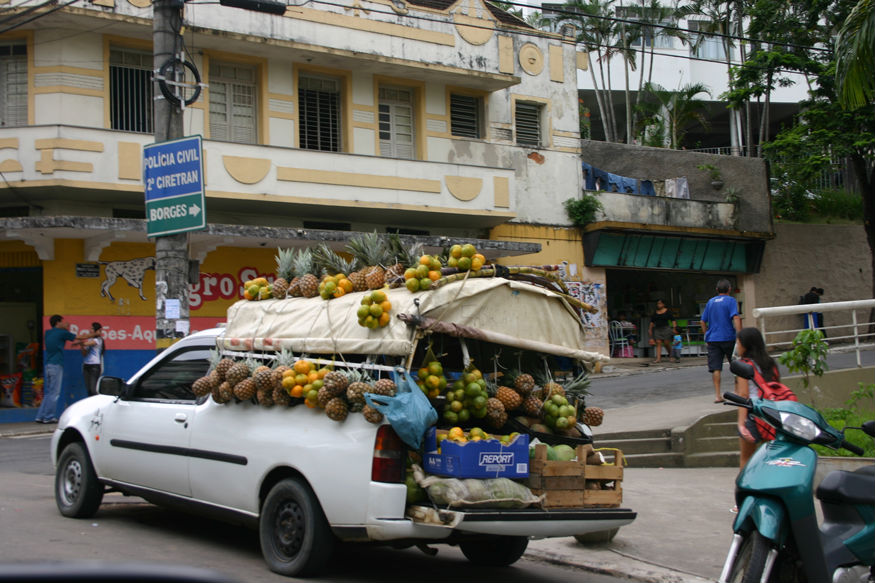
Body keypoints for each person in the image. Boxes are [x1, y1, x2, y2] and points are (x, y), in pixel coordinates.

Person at [734, 327, 780, 469]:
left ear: (745, 344)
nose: (736, 345)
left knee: (746, 457)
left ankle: (745, 487)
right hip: (771, 414)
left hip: (752, 415)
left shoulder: (743, 365)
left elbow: (743, 396)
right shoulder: (770, 363)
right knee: (769, 457)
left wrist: (741, 424)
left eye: (738, 342)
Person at [701, 279, 742, 403]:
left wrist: (706, 335)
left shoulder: (710, 302)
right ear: (729, 289)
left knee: (716, 368)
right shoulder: (731, 301)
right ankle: (736, 391)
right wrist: (739, 336)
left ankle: (718, 395)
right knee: (736, 365)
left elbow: (703, 321)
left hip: (713, 339)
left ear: (717, 290)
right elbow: (735, 317)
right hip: (728, 337)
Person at [35, 315, 76, 424]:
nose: (65, 323)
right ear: (58, 322)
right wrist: (66, 329)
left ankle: (40, 416)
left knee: (48, 392)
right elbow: (76, 337)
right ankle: (49, 417)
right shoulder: (62, 332)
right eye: (63, 322)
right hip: (56, 364)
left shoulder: (48, 332)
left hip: (48, 365)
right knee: (55, 393)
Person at [78, 322, 104, 397]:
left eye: (92, 328)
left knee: (93, 389)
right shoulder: (89, 339)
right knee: (89, 389)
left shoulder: (98, 339)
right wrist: (82, 346)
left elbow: (88, 343)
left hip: (94, 366)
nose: (90, 330)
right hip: (86, 365)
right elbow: (84, 354)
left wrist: (81, 341)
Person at [648, 299, 676, 364]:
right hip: (657, 329)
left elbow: (673, 320)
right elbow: (652, 322)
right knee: (658, 343)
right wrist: (650, 329)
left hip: (666, 328)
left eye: (660, 303)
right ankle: (658, 358)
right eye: (658, 304)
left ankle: (671, 356)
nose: (658, 305)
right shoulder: (655, 312)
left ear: (663, 304)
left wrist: (674, 328)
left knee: (666, 343)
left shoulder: (667, 311)